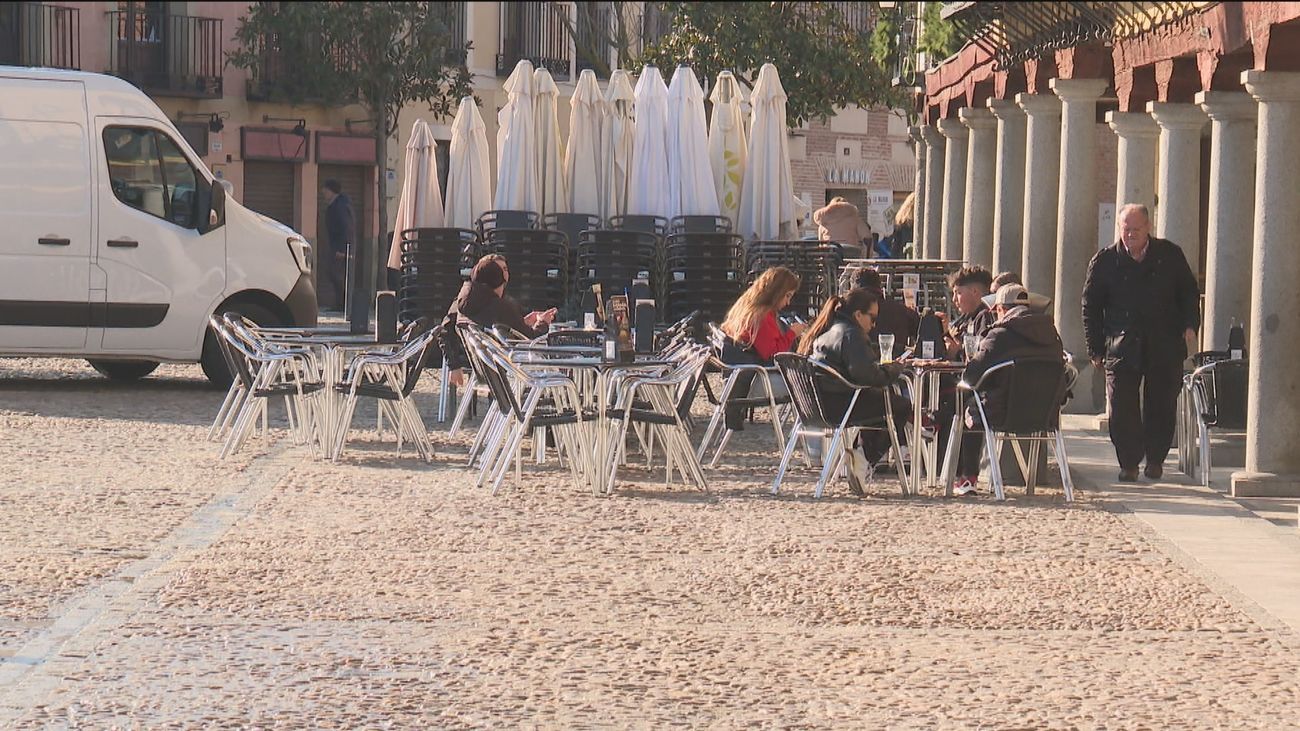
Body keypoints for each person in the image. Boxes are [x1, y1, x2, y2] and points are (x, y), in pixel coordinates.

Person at [1083, 203, 1200, 482]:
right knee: (1121, 406)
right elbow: (1090, 307)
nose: (1131, 235)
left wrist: (1189, 324)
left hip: (1164, 341)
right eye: (1126, 229)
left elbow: (1188, 292)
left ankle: (1156, 458)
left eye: (1136, 229)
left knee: (1161, 402)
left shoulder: (1170, 255)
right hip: (1121, 343)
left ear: (1148, 228)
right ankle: (1129, 462)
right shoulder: (1105, 261)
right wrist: (1095, 348)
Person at [950, 285, 1065, 496]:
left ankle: (968, 477)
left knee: (969, 403)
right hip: (1045, 414)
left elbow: (971, 376)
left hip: (1003, 413)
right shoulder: (1052, 336)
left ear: (1001, 309)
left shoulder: (999, 336)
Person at [798, 288, 910, 494]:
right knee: (899, 406)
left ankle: (860, 456)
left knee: (881, 405)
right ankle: (863, 458)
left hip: (816, 405)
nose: (874, 324)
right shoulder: (851, 334)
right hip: (839, 405)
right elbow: (867, 376)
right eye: (872, 318)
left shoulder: (826, 330)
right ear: (858, 315)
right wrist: (894, 369)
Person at [439, 255, 557, 386]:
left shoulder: (466, 299)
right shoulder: (501, 305)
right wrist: (543, 322)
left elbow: (496, 328)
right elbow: (530, 340)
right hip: (503, 369)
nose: (505, 273)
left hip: (479, 364)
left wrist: (523, 323)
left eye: (505, 269)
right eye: (500, 269)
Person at [718, 267, 806, 430]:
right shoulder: (763, 315)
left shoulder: (746, 305)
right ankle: (805, 437)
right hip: (758, 378)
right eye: (787, 296)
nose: (788, 302)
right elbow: (773, 355)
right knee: (805, 384)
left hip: (740, 374)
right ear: (776, 292)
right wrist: (792, 334)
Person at [938, 265, 996, 360]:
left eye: (959, 293)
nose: (954, 299)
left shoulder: (985, 317)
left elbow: (980, 357)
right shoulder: (967, 317)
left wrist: (957, 353)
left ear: (974, 291)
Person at [852, 267, 919, 348]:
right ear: (879, 287)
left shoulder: (846, 312)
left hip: (859, 358)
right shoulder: (903, 311)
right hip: (896, 358)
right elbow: (923, 335)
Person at [322, 179, 355, 310]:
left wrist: (342, 249)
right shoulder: (337, 205)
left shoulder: (340, 206)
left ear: (331, 191)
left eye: (325, 190)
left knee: (338, 274)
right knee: (335, 274)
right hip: (337, 245)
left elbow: (346, 227)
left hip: (341, 247)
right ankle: (341, 304)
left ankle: (343, 305)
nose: (323, 192)